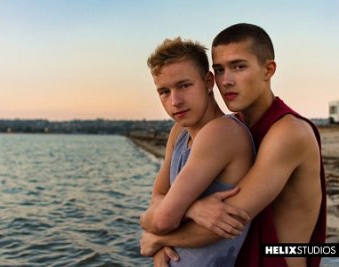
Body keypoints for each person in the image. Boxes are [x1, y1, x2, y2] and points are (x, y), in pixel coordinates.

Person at [140, 23, 326, 267]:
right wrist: (191, 209)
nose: (226, 81)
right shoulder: (233, 126)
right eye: (219, 69)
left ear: (268, 69)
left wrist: (158, 240)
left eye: (238, 67)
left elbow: (226, 221)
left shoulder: (288, 132)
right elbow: (167, 202)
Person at [139, 37, 255, 266]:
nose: (175, 101)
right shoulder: (178, 133)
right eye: (164, 91)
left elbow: (160, 220)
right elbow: (157, 198)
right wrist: (192, 208)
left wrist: (156, 232)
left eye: (184, 85)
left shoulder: (221, 132)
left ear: (208, 81)